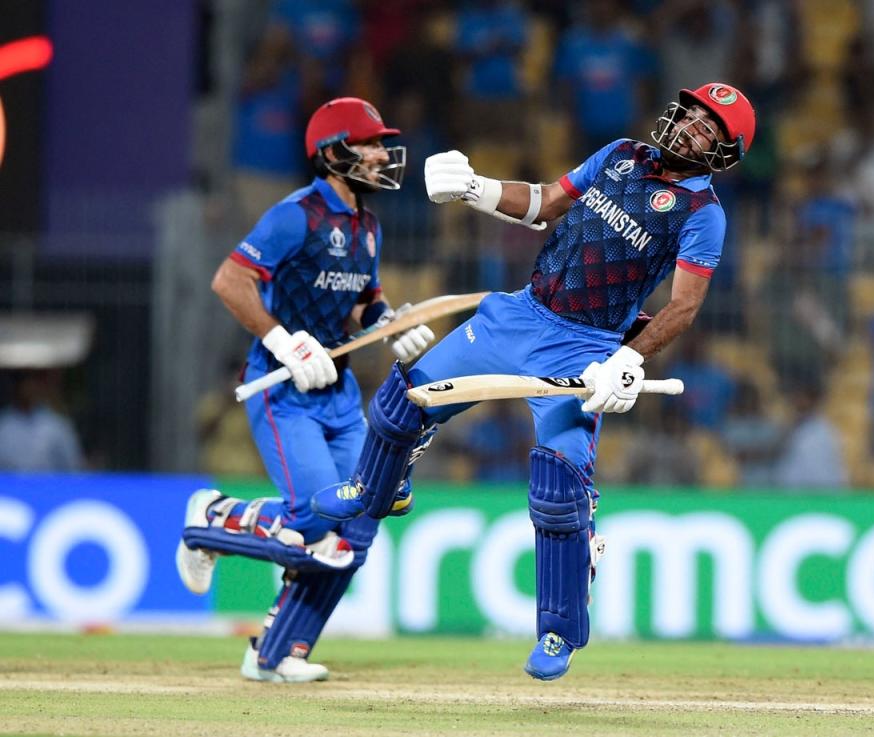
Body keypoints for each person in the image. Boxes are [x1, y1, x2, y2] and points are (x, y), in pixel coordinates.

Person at [312, 82, 756, 679]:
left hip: (586, 346)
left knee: (558, 491)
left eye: (709, 128)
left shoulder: (704, 214)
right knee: (402, 400)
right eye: (693, 113)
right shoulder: (621, 153)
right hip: (520, 313)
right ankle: (375, 488)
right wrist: (477, 189)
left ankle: (558, 633)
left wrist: (629, 360)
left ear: (724, 152)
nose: (691, 126)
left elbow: (683, 307)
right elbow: (548, 202)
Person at [175, 96, 435, 683]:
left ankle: (275, 653)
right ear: (333, 152)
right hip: (284, 389)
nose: (379, 154)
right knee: (315, 520)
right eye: (368, 144)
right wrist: (283, 340)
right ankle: (212, 517)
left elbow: (365, 300)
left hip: (339, 395)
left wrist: (391, 326)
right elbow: (229, 280)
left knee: (361, 518)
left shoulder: (368, 227)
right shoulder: (295, 215)